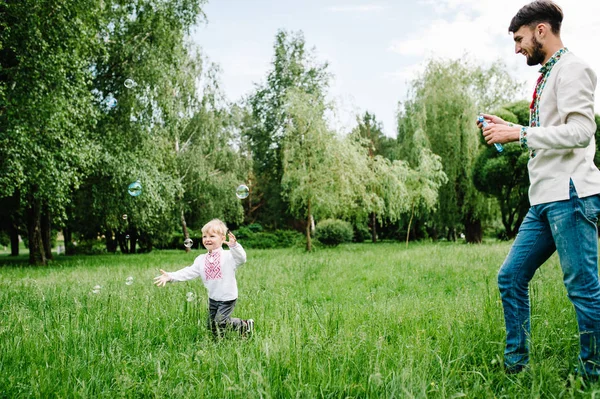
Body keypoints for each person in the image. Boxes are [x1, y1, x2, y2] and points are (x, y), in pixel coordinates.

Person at [479, 0, 600, 378]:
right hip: (544, 200)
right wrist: (514, 126)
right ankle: (516, 367)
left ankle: (592, 374)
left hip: (571, 195)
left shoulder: (574, 69)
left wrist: (519, 132)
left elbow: (582, 132)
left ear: (541, 29)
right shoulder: (548, 74)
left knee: (583, 288)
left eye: (519, 39)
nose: (517, 48)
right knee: (510, 277)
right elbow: (548, 132)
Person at [154, 219, 254, 337]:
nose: (207, 239)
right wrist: (170, 276)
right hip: (213, 297)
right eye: (204, 236)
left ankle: (245, 325)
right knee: (212, 325)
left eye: (212, 236)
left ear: (222, 238)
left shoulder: (228, 256)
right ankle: (219, 343)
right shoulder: (201, 259)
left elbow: (241, 259)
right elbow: (189, 272)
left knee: (220, 322)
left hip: (227, 297)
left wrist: (234, 246)